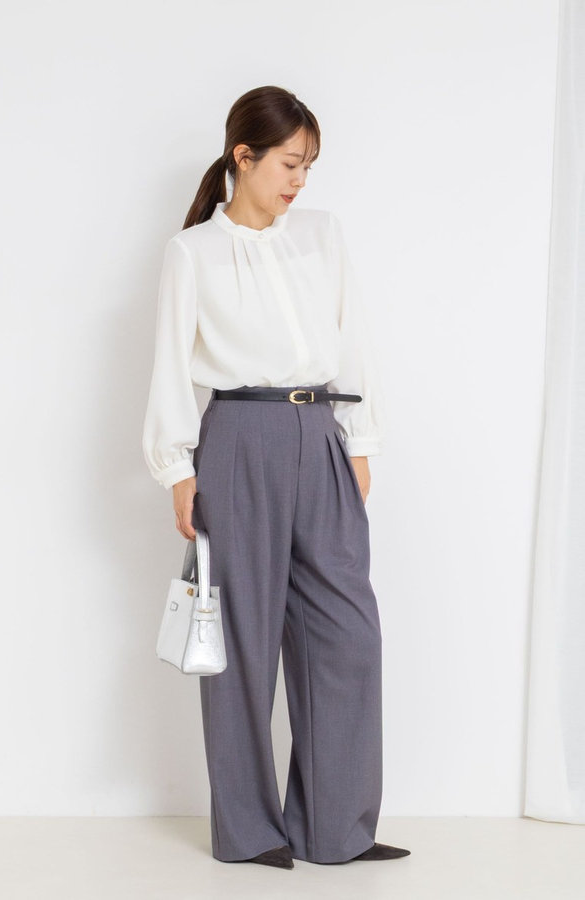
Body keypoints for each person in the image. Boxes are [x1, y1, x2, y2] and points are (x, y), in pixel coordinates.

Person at [142, 85, 410, 870]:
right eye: (290, 163)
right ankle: (251, 831)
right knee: (240, 640)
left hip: (320, 432)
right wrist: (176, 468)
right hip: (237, 438)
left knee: (348, 635)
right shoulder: (193, 251)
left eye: (309, 166)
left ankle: (337, 828)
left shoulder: (321, 235)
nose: (300, 180)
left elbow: (352, 337)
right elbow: (168, 363)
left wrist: (359, 443)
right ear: (244, 156)